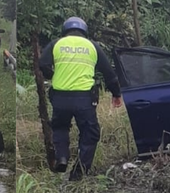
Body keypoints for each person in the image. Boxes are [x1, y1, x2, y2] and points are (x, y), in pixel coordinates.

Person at [40, 17, 123, 181]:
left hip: (60, 98)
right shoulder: (92, 46)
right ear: (84, 31)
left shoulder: (57, 43)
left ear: (65, 30)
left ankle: (62, 157)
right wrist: (116, 94)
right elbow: (109, 74)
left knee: (60, 127)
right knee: (90, 134)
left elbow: (43, 63)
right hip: (84, 99)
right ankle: (78, 173)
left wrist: (53, 74)